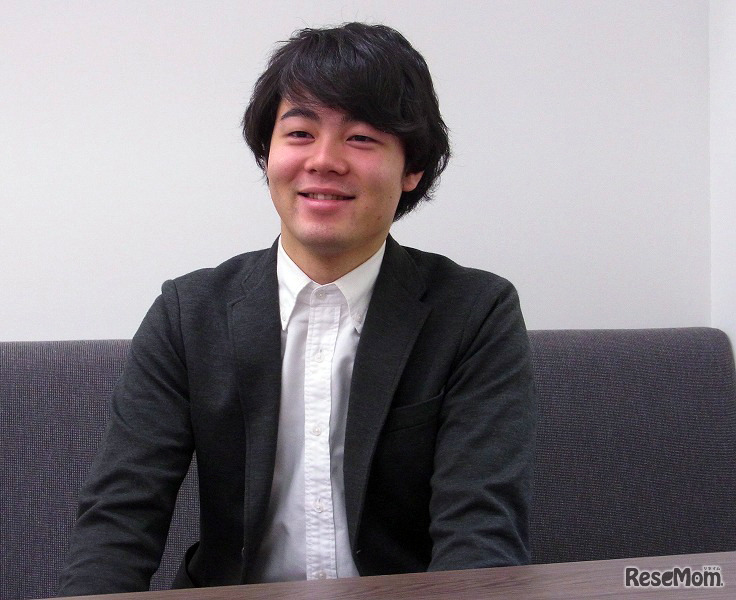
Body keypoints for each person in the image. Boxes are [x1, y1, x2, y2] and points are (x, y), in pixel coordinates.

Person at [58, 22, 535, 595]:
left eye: (362, 138)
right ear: (267, 155)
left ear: (412, 168)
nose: (324, 160)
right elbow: (119, 519)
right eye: (301, 132)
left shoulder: (474, 314)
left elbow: (481, 531)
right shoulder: (188, 313)